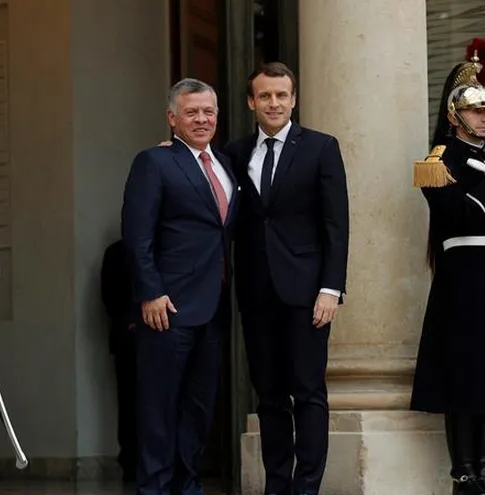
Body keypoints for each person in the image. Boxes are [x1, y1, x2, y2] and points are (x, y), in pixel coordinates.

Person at [409, 40, 485, 495]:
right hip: (461, 281)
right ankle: (463, 475)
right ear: (454, 116)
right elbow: (460, 214)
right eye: (476, 112)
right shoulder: (439, 164)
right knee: (464, 379)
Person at [222, 62, 349, 495]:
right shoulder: (235, 154)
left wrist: (331, 289)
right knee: (270, 395)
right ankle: (277, 484)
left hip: (307, 293)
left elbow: (336, 223)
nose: (273, 103)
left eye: (281, 95)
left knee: (309, 392)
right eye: (264, 96)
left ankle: (306, 487)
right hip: (257, 293)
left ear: (293, 99)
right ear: (251, 102)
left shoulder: (320, 148)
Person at [121, 78, 239, 495]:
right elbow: (137, 235)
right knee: (158, 409)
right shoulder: (154, 162)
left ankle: (188, 487)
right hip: (167, 307)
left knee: (198, 408)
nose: (202, 119)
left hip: (214, 306)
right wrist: (150, 292)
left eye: (208, 111)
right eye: (191, 112)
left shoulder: (225, 165)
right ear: (172, 118)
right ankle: (154, 488)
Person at [100, 238, 138, 482]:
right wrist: (129, 321)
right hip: (126, 339)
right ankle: (131, 462)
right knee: (128, 402)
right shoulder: (115, 253)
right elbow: (109, 295)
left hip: (158, 337)